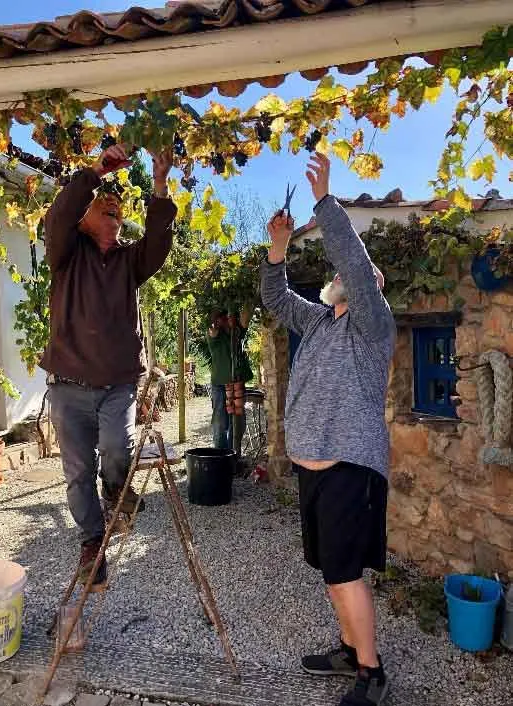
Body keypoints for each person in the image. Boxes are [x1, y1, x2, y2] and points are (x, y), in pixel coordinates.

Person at [261, 154, 395, 706]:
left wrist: (323, 202)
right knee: (329, 569)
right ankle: (347, 649)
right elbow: (273, 298)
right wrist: (277, 248)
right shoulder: (316, 321)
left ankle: (372, 673)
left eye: (349, 276)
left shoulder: (373, 324)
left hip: (348, 465)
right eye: (339, 274)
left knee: (344, 571)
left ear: (366, 289)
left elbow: (358, 268)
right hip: (311, 466)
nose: (339, 276)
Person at [41, 143, 176, 589]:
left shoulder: (128, 262)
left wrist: (159, 185)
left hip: (116, 384)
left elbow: (158, 242)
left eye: (118, 210)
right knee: (77, 472)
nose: (113, 211)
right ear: (83, 219)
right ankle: (92, 544)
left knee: (117, 447)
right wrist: (96, 172)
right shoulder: (66, 253)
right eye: (105, 206)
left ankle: (117, 491)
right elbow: (57, 217)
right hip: (67, 387)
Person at [207, 309, 253, 455]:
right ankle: (221, 454)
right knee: (220, 420)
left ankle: (234, 452)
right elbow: (212, 333)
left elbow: (246, 320)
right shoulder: (215, 334)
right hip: (220, 383)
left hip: (237, 382)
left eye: (227, 317)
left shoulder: (237, 332)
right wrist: (215, 327)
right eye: (222, 318)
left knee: (238, 419)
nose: (225, 320)